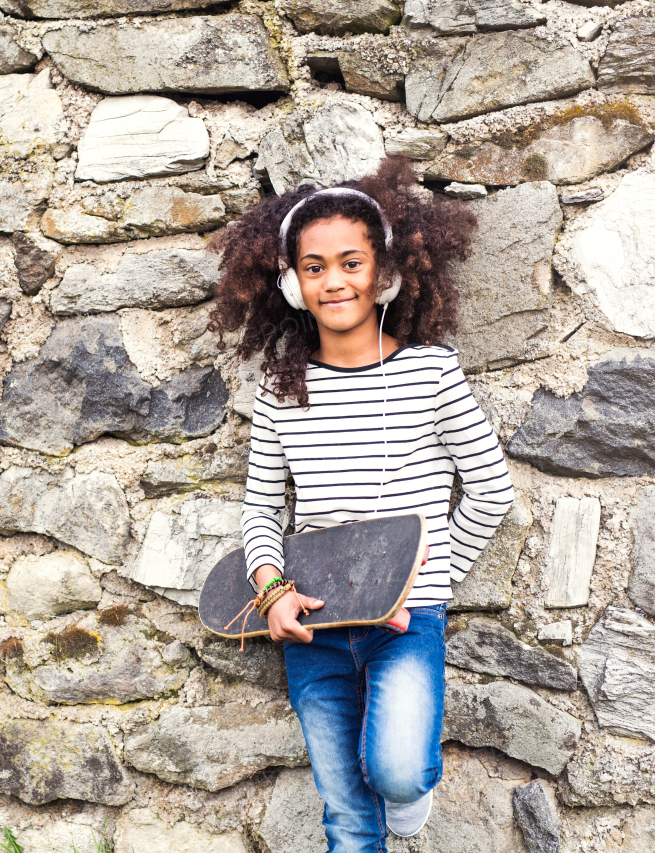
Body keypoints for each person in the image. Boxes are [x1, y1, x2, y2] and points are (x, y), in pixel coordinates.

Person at [208, 157, 515, 852]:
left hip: (405, 621)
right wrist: (274, 591)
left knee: (398, 773)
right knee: (346, 814)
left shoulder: (432, 372)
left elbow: (491, 490)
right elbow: (261, 511)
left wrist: (427, 579)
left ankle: (411, 797)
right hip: (312, 625)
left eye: (351, 262)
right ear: (290, 283)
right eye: (313, 267)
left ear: (386, 273)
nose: (333, 280)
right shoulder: (282, 390)